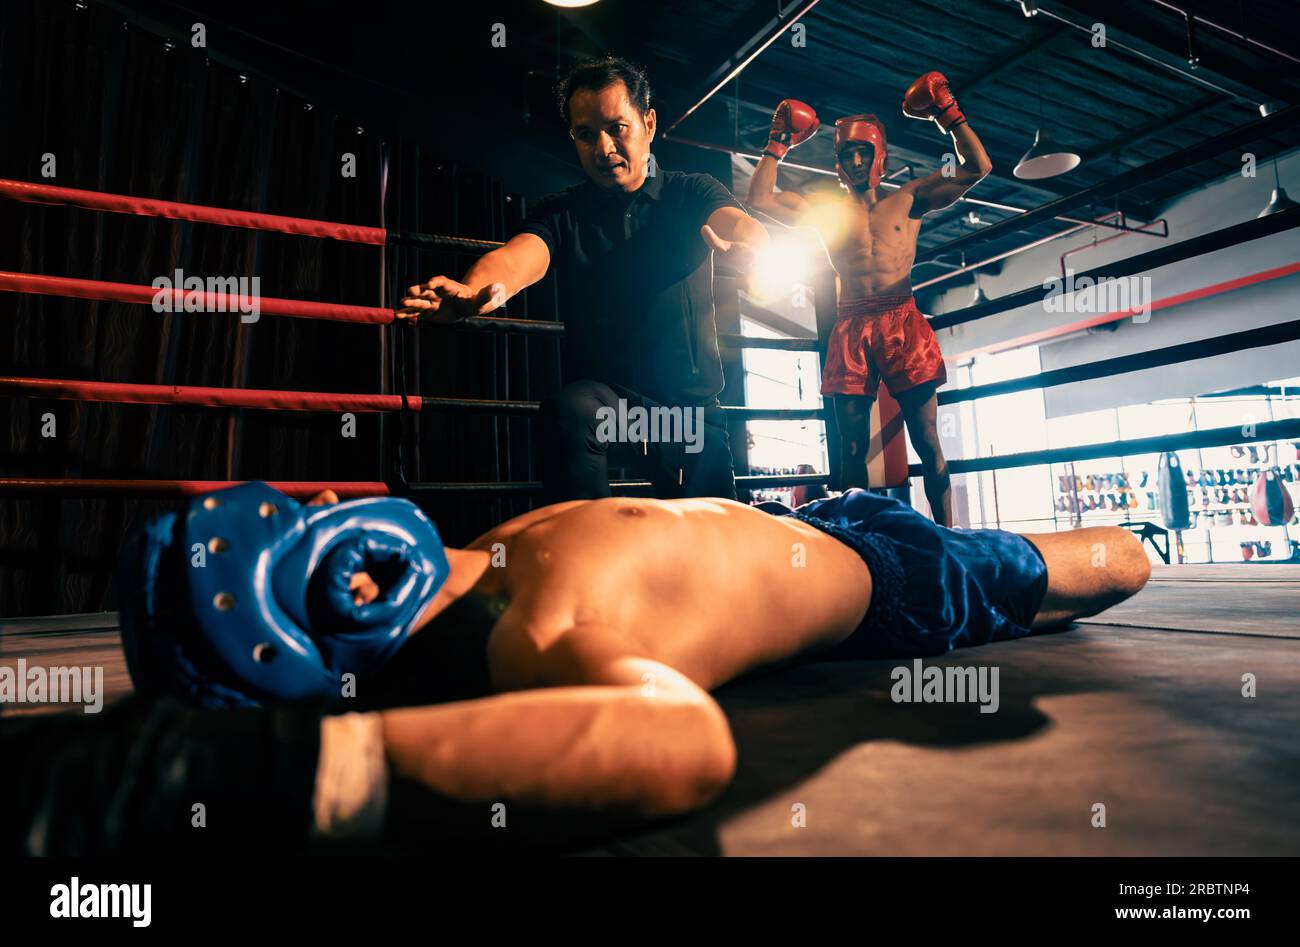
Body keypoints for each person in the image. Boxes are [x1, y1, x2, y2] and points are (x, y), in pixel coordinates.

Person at [7, 479, 1149, 854]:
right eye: (298, 531)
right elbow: (680, 740)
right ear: (349, 601)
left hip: (814, 512)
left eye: (295, 500)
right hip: (898, 588)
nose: (318, 501)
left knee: (1061, 583)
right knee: (1113, 561)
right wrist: (283, 771)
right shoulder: (537, 637)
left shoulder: (491, 548)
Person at [398, 56, 770, 502]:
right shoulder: (561, 213)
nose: (604, 146)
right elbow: (516, 259)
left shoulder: (691, 192)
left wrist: (755, 244)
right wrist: (475, 291)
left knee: (718, 560)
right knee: (569, 410)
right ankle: (588, 552)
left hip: (687, 415)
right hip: (608, 408)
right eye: (586, 134)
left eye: (618, 127)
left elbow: (734, 223)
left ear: (648, 123)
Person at [747, 73, 993, 526]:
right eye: (847, 154)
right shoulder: (825, 212)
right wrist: (777, 143)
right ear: (839, 163)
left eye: (863, 151)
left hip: (902, 319)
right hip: (852, 324)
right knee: (852, 449)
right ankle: (860, 542)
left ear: (879, 156)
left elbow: (978, 167)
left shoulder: (910, 198)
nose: (856, 160)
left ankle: (948, 535)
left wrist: (948, 113)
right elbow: (759, 198)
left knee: (927, 438)